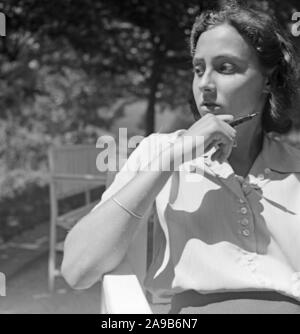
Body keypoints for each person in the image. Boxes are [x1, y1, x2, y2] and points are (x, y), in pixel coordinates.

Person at [61, 4, 300, 313]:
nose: (205, 84)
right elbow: (78, 269)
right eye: (198, 69)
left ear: (268, 80)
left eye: (225, 67)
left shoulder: (295, 166)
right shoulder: (158, 152)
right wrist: (172, 158)